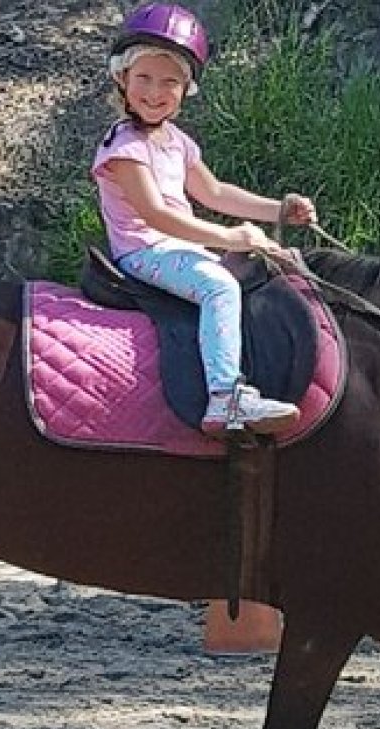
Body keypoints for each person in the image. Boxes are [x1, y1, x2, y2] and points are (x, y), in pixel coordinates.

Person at [91, 2, 319, 437]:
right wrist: (231, 238)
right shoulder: (124, 150)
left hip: (179, 246)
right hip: (144, 251)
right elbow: (157, 216)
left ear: (185, 90)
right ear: (122, 79)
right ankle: (224, 397)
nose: (155, 91)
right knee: (219, 287)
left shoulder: (176, 141)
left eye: (169, 82)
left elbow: (213, 193)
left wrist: (277, 211)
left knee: (276, 263)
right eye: (144, 78)